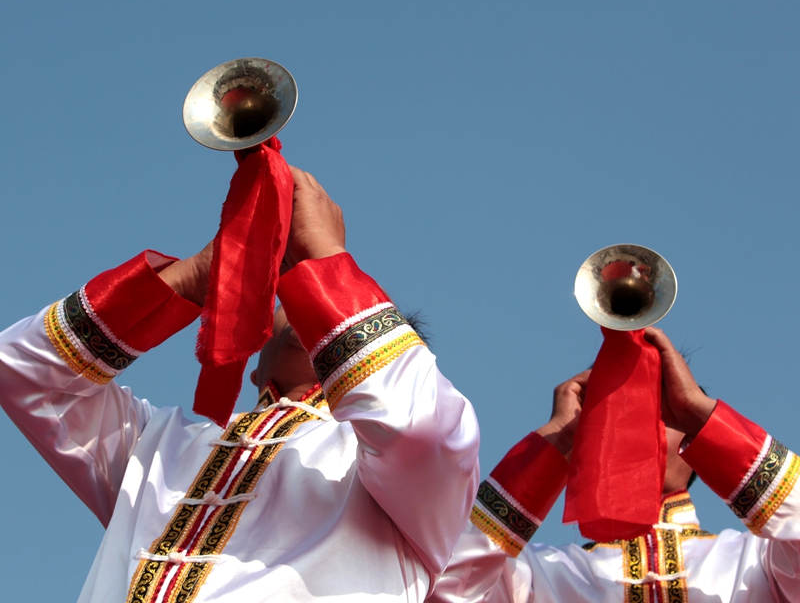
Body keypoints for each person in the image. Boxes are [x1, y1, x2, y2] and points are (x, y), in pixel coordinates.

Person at [0, 165, 480, 603]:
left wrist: (326, 254)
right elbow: (21, 370)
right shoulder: (158, 445)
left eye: (338, 306)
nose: (316, 300)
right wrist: (197, 274)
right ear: (255, 363)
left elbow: (419, 427)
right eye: (301, 295)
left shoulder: (417, 484)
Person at [429, 327, 800, 603]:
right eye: (621, 413)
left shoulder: (758, 562)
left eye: (665, 410)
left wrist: (703, 416)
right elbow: (440, 590)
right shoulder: (535, 576)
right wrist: (556, 441)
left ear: (695, 444)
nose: (644, 426)